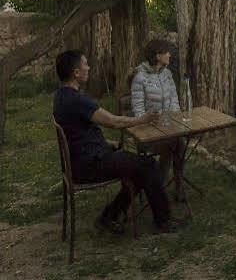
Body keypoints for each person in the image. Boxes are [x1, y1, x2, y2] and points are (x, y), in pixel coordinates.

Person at [52, 50, 185, 234]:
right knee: (147, 165)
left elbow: (78, 133)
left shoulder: (61, 96)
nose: (88, 67)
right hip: (90, 165)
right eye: (85, 64)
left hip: (81, 161)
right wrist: (143, 119)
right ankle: (163, 221)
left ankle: (109, 216)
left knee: (137, 167)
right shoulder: (78, 100)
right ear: (76, 72)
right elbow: (114, 121)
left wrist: (107, 143)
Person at [130, 39, 185, 200]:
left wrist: (177, 120)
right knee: (174, 144)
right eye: (166, 52)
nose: (170, 54)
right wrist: (154, 123)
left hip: (169, 128)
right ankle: (158, 188)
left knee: (179, 143)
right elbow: (138, 111)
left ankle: (176, 186)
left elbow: (174, 101)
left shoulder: (167, 75)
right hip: (149, 133)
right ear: (157, 55)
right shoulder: (140, 77)